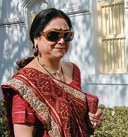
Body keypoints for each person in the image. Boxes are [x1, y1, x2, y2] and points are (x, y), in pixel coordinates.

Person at [1, 8, 103, 137]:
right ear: (36, 38)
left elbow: (71, 117)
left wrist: (89, 119)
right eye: (53, 35)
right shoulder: (25, 84)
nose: (61, 41)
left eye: (67, 35)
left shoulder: (73, 70)